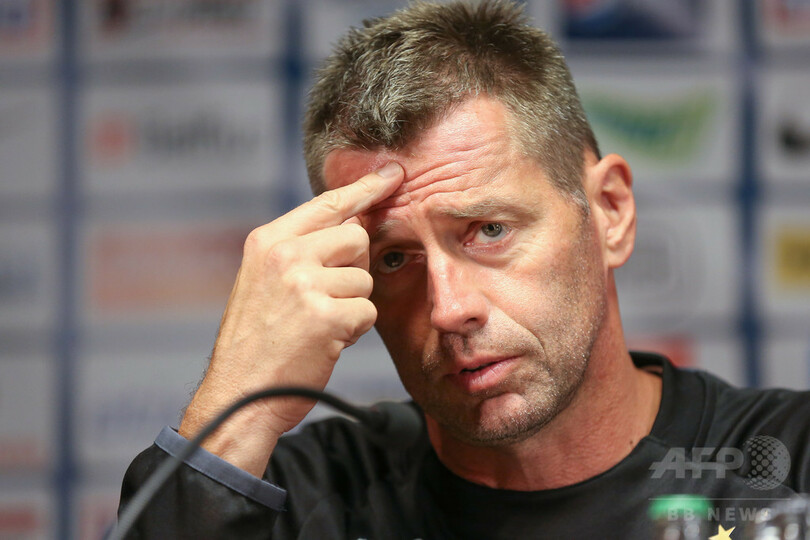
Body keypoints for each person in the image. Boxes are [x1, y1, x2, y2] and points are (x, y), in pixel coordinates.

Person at [119, 1, 810, 538]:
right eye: (394, 258)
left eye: (488, 230)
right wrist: (238, 405)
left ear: (610, 212)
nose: (449, 309)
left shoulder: (789, 465)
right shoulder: (306, 502)